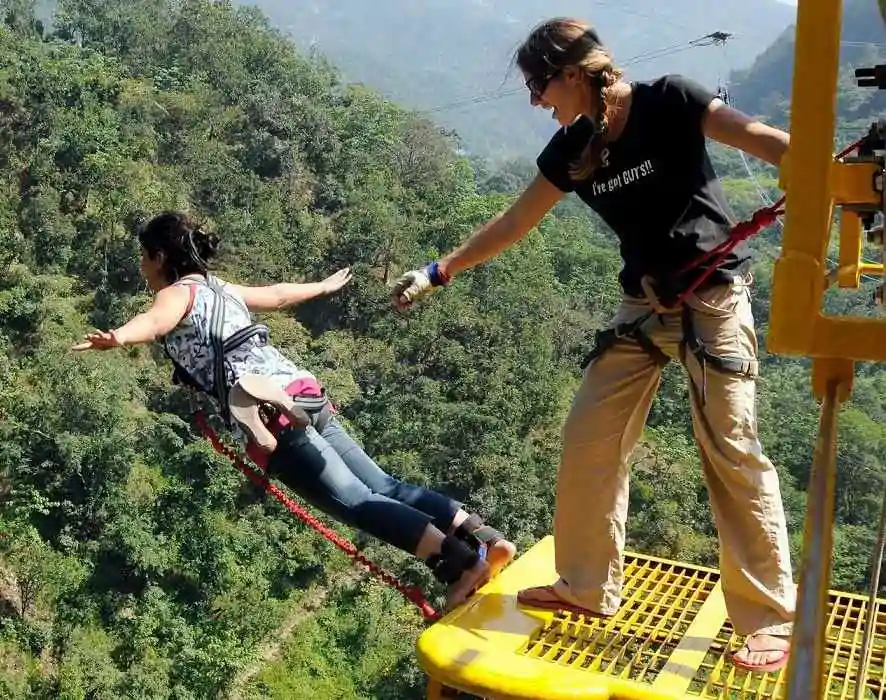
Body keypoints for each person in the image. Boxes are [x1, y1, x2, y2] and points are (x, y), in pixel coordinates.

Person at [392, 17, 795, 672]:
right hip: (642, 304)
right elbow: (516, 221)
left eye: (537, 85)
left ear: (573, 73)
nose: (534, 101)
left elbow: (759, 139)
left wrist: (825, 173)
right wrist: (441, 271)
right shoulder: (573, 150)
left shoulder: (670, 100)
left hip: (712, 296)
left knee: (729, 447)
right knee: (588, 438)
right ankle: (587, 585)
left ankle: (770, 617)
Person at [71, 211, 516, 612]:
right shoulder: (218, 287)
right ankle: (486, 540)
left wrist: (119, 336)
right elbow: (279, 295)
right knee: (384, 484)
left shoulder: (175, 294)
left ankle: (460, 568)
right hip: (301, 390)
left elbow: (154, 322)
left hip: (269, 413)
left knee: (360, 503)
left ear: (159, 256)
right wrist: (321, 286)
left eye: (144, 258)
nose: (143, 268)